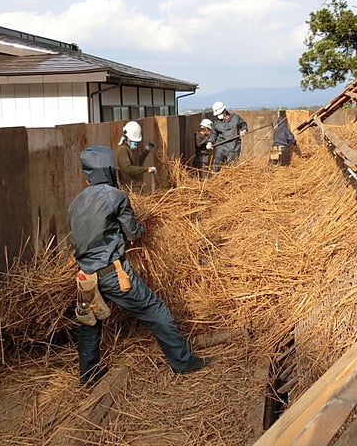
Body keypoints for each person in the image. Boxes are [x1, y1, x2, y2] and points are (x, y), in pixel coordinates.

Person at [68, 145, 209, 385]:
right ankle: (183, 362)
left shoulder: (76, 202)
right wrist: (143, 226)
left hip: (86, 276)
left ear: (88, 173)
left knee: (90, 322)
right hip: (114, 275)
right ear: (110, 170)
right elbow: (132, 233)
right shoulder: (116, 196)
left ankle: (88, 374)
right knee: (155, 310)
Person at [206, 101, 248, 173]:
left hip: (233, 148)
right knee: (215, 166)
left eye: (219, 114)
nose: (218, 116)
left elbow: (244, 125)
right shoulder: (217, 123)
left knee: (231, 169)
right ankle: (213, 180)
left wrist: (243, 130)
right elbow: (213, 133)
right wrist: (210, 142)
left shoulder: (235, 118)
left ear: (224, 111)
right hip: (221, 146)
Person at [116, 120, 157, 193]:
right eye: (132, 140)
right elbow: (128, 169)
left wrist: (146, 151)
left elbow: (137, 163)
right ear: (127, 137)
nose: (134, 142)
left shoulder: (130, 149)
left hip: (137, 188)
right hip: (129, 190)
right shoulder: (123, 150)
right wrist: (146, 169)